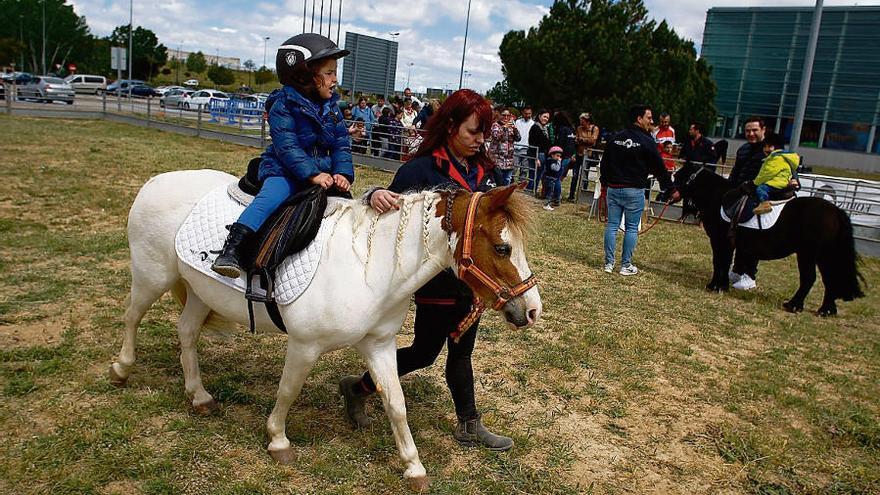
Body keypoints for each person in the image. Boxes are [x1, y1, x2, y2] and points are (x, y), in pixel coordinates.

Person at [338, 89, 514, 451]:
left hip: (474, 283)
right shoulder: (420, 170)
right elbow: (385, 213)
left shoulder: (486, 170)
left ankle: (469, 423)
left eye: (484, 132)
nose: (480, 140)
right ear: (450, 126)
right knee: (423, 353)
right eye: (473, 131)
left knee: (462, 352)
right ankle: (357, 388)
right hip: (435, 282)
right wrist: (373, 195)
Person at [211, 33, 352, 278]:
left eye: (334, 73)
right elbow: (287, 147)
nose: (335, 79)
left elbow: (341, 143)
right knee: (271, 197)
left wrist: (342, 172)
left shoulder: (333, 109)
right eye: (329, 73)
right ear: (304, 75)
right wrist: (313, 173)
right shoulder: (283, 106)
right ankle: (233, 248)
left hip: (323, 173)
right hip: (284, 170)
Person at [600, 104, 673, 276]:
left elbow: (605, 163)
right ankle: (625, 265)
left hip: (614, 188)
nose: (652, 121)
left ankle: (609, 264)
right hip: (634, 190)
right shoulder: (647, 141)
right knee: (632, 228)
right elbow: (659, 167)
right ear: (639, 119)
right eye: (649, 117)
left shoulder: (615, 137)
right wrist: (668, 188)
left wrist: (605, 183)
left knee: (612, 225)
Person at [727, 116, 766, 290]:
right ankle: (737, 269)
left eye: (755, 130)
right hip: (740, 195)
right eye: (748, 130)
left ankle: (750, 274)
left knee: (752, 234)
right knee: (737, 232)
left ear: (763, 130)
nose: (751, 134)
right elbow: (735, 173)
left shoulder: (769, 150)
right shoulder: (743, 149)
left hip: (759, 198)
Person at [752, 132, 799, 215]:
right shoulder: (785, 158)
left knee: (760, 189)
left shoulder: (775, 158)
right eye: (764, 146)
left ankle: (764, 204)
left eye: (769, 146)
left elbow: (767, 173)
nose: (766, 149)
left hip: (776, 183)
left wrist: (755, 183)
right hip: (783, 182)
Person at [489, 106, 521, 186]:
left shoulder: (511, 126)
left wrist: (515, 129)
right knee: (498, 182)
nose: (506, 117)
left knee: (507, 181)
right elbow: (495, 137)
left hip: (509, 161)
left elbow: (518, 138)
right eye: (503, 115)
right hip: (497, 160)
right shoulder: (495, 125)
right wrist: (504, 128)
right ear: (499, 115)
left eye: (508, 115)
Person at [571, 113, 599, 201]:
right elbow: (576, 140)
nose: (581, 123)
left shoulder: (594, 129)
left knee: (585, 175)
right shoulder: (579, 128)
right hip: (579, 154)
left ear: (587, 121)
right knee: (575, 175)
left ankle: (583, 196)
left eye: (582, 121)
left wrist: (581, 139)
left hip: (588, 155)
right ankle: (571, 195)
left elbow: (593, 141)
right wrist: (580, 140)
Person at [528, 109, 552, 194]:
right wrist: (536, 158)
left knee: (538, 175)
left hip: (543, 154)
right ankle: (530, 191)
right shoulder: (536, 127)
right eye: (544, 116)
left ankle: (533, 191)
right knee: (533, 174)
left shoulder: (545, 128)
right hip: (537, 154)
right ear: (539, 116)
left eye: (547, 117)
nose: (546, 119)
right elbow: (532, 143)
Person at [514, 106, 535, 183]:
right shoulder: (517, 122)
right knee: (513, 168)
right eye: (526, 113)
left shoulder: (533, 124)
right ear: (522, 113)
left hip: (527, 149)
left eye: (529, 113)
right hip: (516, 148)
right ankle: (511, 185)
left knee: (524, 169)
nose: (527, 115)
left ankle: (520, 186)